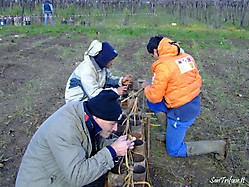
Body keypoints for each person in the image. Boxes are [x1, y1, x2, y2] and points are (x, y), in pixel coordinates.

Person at [16, 90, 136, 187]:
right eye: (112, 124)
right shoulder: (65, 129)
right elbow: (77, 177)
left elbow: (89, 143)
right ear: (97, 118)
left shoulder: (84, 114)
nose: (115, 128)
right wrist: (112, 151)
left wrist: (115, 143)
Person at [142, 36, 227, 160]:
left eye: (152, 55)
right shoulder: (186, 57)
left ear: (156, 50)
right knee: (153, 104)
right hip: (193, 102)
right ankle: (169, 133)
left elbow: (155, 96)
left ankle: (218, 146)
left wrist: (146, 87)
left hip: (182, 111)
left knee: (173, 150)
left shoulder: (163, 66)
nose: (153, 58)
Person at [65, 40, 133, 103]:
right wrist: (116, 92)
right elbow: (94, 95)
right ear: (103, 59)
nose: (112, 63)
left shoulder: (100, 66)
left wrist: (121, 81)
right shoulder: (86, 71)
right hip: (77, 103)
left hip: (88, 97)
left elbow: (107, 79)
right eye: (111, 60)